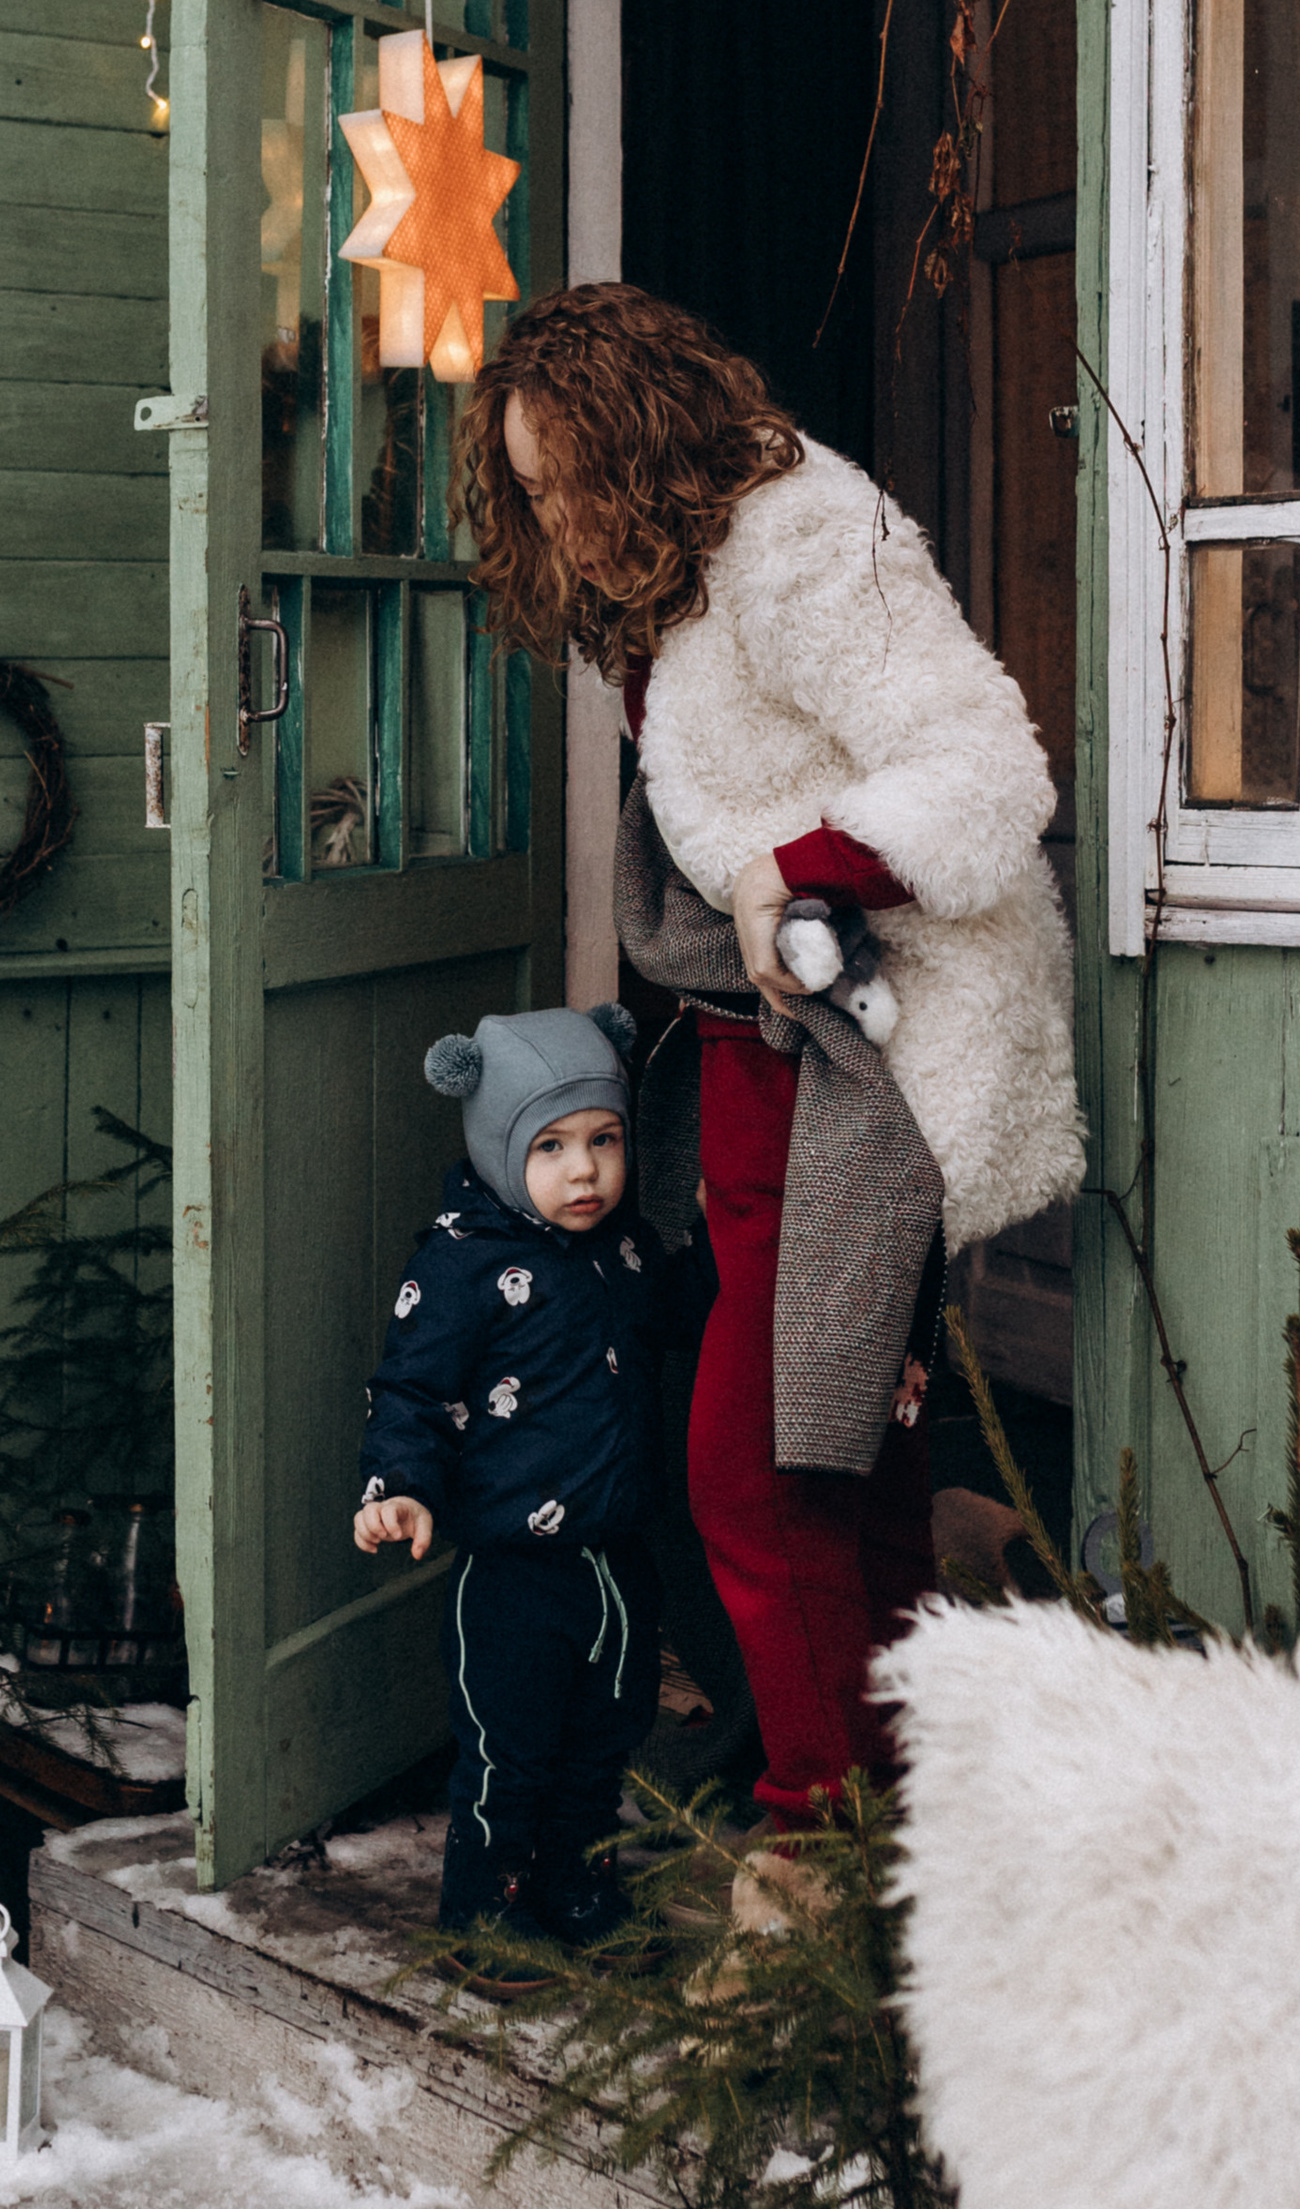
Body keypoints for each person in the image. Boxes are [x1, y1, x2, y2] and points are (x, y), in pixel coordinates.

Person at [459, 284, 1083, 1839]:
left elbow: (988, 767)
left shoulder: (801, 536)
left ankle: (818, 1830)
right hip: (762, 1061)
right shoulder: (666, 582)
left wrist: (790, 872)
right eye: (536, 498)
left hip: (873, 1065)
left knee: (763, 1471)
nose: (564, 528)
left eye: (575, 486)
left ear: (647, 442)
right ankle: (906, 1810)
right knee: (856, 1462)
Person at [354, 1002, 676, 1960]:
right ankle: (486, 1912)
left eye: (604, 1140)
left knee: (603, 1741)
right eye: (551, 1146)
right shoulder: (461, 1264)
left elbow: (679, 1314)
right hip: (513, 1575)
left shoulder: (626, 1248)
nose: (585, 1171)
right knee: (511, 1752)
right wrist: (398, 1485)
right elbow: (410, 1390)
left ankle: (579, 1888)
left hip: (618, 1557)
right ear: (499, 1148)